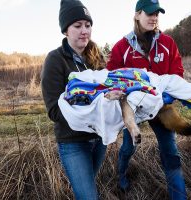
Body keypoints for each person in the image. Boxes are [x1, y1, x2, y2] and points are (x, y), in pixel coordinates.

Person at [106, 0, 187, 199]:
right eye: (149, 13)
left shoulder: (168, 44)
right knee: (128, 147)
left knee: (171, 153)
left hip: (162, 106)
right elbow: (111, 77)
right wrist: (121, 94)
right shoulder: (121, 47)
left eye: (157, 13)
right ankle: (121, 174)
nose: (154, 17)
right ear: (136, 15)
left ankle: (179, 195)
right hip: (133, 109)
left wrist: (170, 93)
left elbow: (177, 73)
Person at [41, 0, 106, 199]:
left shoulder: (97, 58)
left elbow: (107, 94)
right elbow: (54, 110)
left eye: (88, 25)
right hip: (73, 142)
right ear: (65, 30)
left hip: (100, 139)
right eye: (77, 26)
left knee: (85, 191)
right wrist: (87, 106)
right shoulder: (55, 60)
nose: (84, 31)